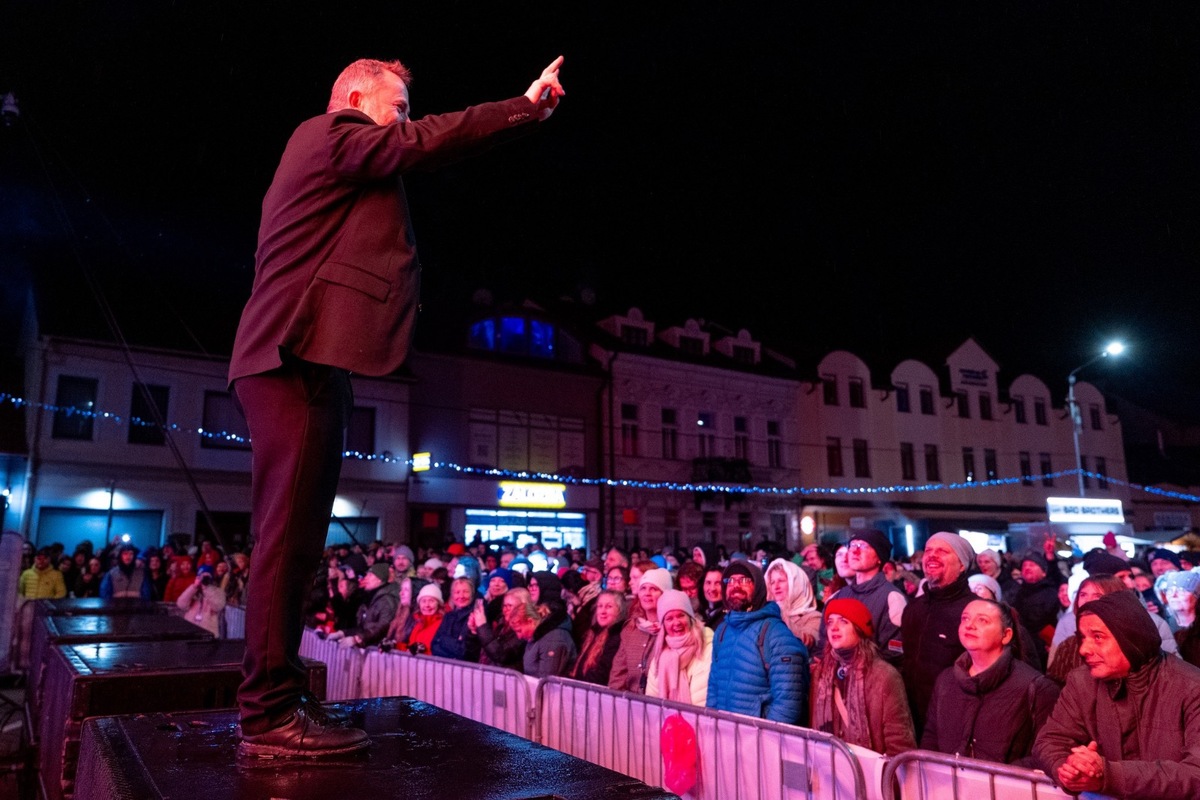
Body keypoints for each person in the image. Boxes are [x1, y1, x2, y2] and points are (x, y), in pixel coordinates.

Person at [227, 54, 565, 758]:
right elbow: (421, 144)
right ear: (356, 98)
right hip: (289, 360)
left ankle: (282, 699)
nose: (405, 122)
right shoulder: (328, 134)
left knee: (299, 550)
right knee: (285, 546)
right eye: (399, 106)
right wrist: (523, 106)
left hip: (313, 362)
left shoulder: (341, 157)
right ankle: (265, 715)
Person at [1033, 590, 1200, 798]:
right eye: (1082, 638)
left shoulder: (1192, 687)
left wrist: (1108, 775)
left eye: (1098, 637)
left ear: (1131, 638)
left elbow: (1196, 775)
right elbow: (1049, 740)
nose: (1084, 649)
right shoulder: (1082, 681)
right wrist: (1069, 770)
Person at [923, 599, 1059, 765]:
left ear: (1006, 635)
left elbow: (1048, 752)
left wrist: (996, 779)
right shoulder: (946, 680)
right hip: (947, 787)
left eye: (982, 620)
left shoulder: (1037, 687)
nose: (970, 625)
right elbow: (930, 739)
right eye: (965, 618)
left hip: (1006, 789)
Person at [706, 561, 809, 724]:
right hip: (725, 736)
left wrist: (764, 738)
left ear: (759, 586)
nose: (736, 585)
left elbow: (788, 703)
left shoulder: (776, 633)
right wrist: (711, 724)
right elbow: (713, 688)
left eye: (744, 580)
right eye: (730, 581)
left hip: (758, 741)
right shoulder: (723, 631)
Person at [810, 598, 915, 756]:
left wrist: (886, 778)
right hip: (829, 771)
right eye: (830, 622)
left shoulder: (884, 676)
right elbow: (813, 729)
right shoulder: (821, 673)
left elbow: (899, 742)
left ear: (860, 629)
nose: (834, 628)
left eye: (844, 622)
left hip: (871, 775)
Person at [820, 530, 906, 665]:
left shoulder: (892, 598)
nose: (855, 551)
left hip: (874, 681)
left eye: (864, 546)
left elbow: (893, 655)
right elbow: (823, 646)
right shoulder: (837, 597)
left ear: (879, 558)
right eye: (853, 545)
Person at [609, 568, 674, 693]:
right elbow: (617, 676)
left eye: (653, 589)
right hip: (630, 705)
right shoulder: (631, 630)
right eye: (643, 588)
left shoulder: (673, 630)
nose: (647, 593)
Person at [644, 589, 713, 706]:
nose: (676, 623)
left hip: (700, 721)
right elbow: (652, 703)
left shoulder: (708, 648)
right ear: (663, 625)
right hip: (667, 722)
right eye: (669, 618)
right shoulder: (658, 658)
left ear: (690, 618)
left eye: (681, 615)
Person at [327, 562, 399, 649]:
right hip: (367, 650)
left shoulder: (387, 600)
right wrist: (343, 633)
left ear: (379, 579)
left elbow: (383, 626)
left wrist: (358, 638)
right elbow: (362, 627)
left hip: (378, 655)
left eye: (370, 575)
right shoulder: (368, 598)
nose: (366, 578)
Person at [569, 590, 627, 685]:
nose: (603, 611)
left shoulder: (617, 637)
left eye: (609, 607)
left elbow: (601, 675)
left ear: (620, 610)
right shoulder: (593, 634)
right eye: (600, 606)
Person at [765, 558, 820, 649]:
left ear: (796, 585)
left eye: (781, 580)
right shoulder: (767, 613)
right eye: (772, 582)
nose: (776, 586)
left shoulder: (814, 617)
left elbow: (806, 642)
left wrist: (779, 611)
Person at [430, 577, 476, 660]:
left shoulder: (475, 617)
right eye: (457, 592)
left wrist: (443, 639)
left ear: (472, 594)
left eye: (465, 592)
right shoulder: (448, 616)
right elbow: (434, 646)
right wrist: (453, 647)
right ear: (452, 595)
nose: (461, 596)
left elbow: (463, 652)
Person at [1162, 569, 1200, 666]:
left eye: (1182, 590)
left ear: (1197, 596)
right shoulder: (1161, 626)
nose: (1174, 595)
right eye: (1170, 590)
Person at [176, 564, 228, 636]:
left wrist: (206, 589)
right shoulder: (193, 590)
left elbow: (218, 606)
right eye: (202, 576)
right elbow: (181, 604)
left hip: (208, 633)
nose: (204, 579)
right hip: (190, 632)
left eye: (207, 577)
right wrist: (194, 587)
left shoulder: (218, 591)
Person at [699, 565, 726, 630]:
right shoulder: (702, 613)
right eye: (708, 583)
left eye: (718, 583)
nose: (712, 588)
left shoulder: (728, 617)